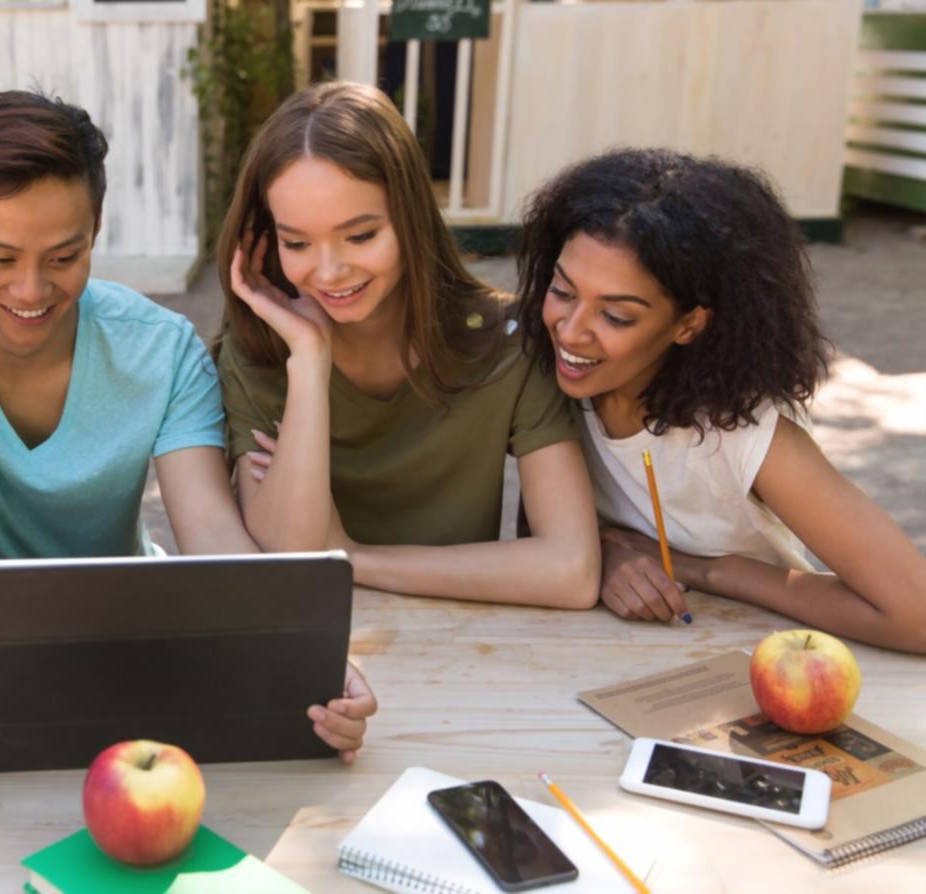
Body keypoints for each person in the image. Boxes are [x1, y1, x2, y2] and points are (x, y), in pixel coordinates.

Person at [0, 90, 376, 759]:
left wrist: (297, 657)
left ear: (96, 227)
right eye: (0, 258)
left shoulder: (163, 349)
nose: (32, 291)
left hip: (129, 660)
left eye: (64, 256)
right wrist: (102, 630)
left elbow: (212, 540)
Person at [514, 147, 926, 653]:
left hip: (760, 664)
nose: (571, 332)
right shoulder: (545, 381)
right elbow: (538, 523)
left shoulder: (744, 434)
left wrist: (702, 570)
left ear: (689, 324)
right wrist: (604, 556)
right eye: (562, 290)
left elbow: (916, 614)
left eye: (616, 316)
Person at [218, 81, 600, 608]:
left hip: (470, 646)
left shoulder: (507, 343)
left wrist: (351, 557)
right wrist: (308, 361)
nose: (329, 271)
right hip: (326, 655)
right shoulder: (260, 353)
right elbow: (291, 554)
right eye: (297, 243)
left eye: (360, 236)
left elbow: (572, 572)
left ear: (410, 218)